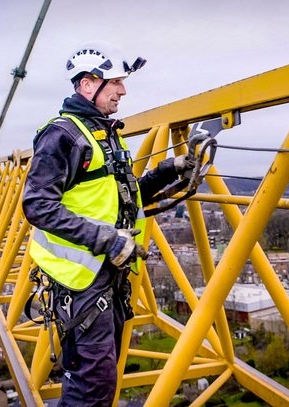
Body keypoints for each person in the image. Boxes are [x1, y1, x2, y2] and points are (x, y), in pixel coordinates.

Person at [22, 41, 193, 406]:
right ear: (88, 84)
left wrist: (167, 171)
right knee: (92, 388)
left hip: (106, 276)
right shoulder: (63, 135)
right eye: (115, 81)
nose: (123, 90)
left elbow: (122, 199)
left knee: (101, 380)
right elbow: (37, 205)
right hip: (82, 281)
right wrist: (106, 240)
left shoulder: (104, 133)